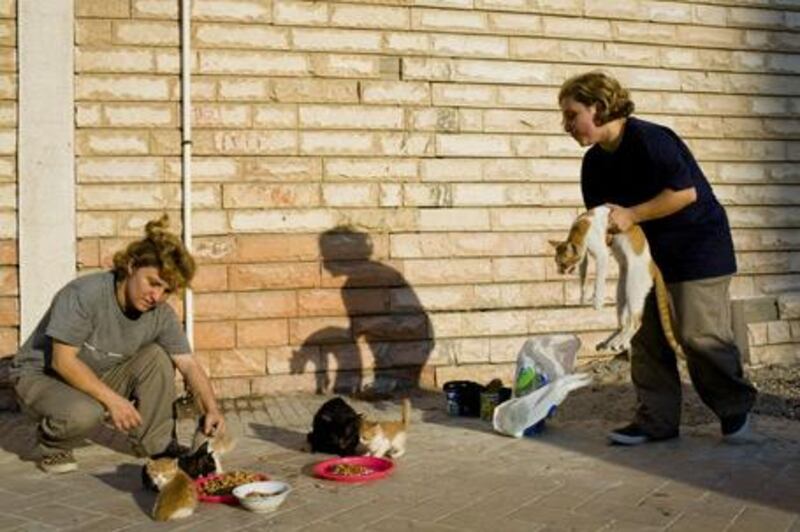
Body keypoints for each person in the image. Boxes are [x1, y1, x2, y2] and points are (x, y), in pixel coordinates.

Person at [558, 71, 757, 445]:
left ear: (598, 108)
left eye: (571, 115)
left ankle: (734, 409)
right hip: (645, 259)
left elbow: (684, 194)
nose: (566, 125)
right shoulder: (594, 164)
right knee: (645, 336)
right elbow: (604, 219)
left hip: (696, 248)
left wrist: (631, 214)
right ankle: (656, 421)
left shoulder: (651, 139)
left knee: (699, 336)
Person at [11, 215, 225, 473]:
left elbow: (188, 364)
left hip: (96, 373)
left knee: (157, 356)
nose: (157, 296)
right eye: (153, 283)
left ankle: (158, 445)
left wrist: (212, 409)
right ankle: (51, 444)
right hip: (43, 375)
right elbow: (62, 361)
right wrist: (114, 401)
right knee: (85, 412)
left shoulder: (160, 313)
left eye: (166, 290)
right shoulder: (85, 295)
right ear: (132, 266)